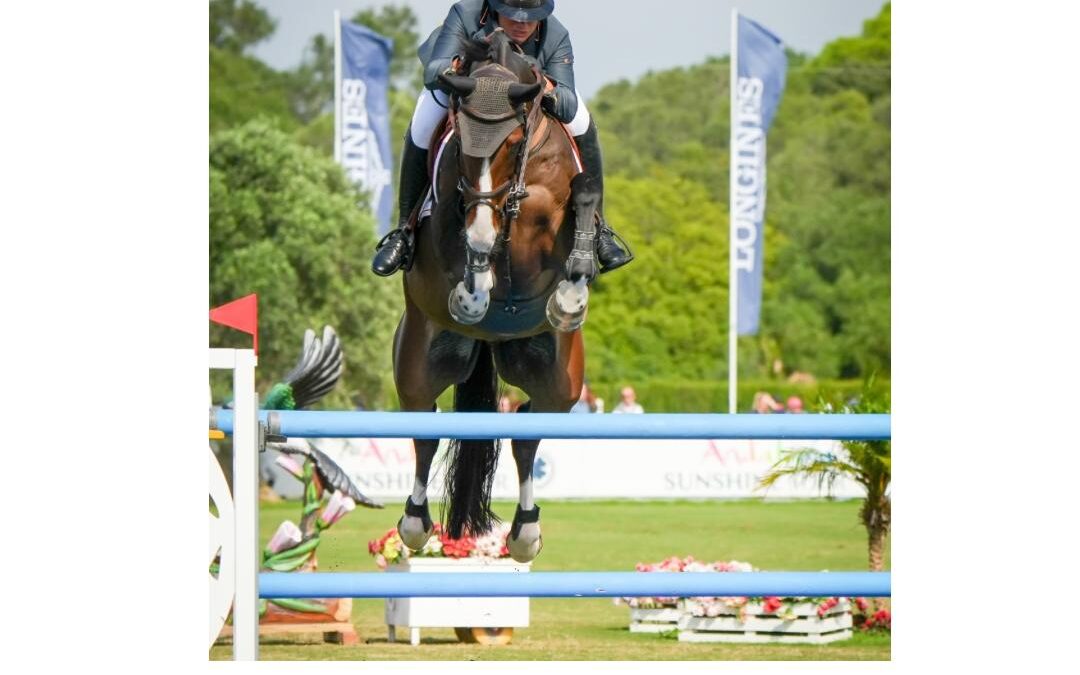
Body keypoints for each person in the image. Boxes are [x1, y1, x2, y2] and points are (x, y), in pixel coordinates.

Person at [371, 0, 633, 277]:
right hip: (468, 90)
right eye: (512, 15)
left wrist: (541, 82)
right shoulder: (465, 14)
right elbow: (434, 69)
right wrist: (464, 67)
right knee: (422, 124)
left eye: (531, 17)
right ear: (495, 7)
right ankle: (405, 231)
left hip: (521, 96)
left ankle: (598, 228)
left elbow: (566, 99)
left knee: (583, 122)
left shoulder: (555, 34)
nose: (522, 23)